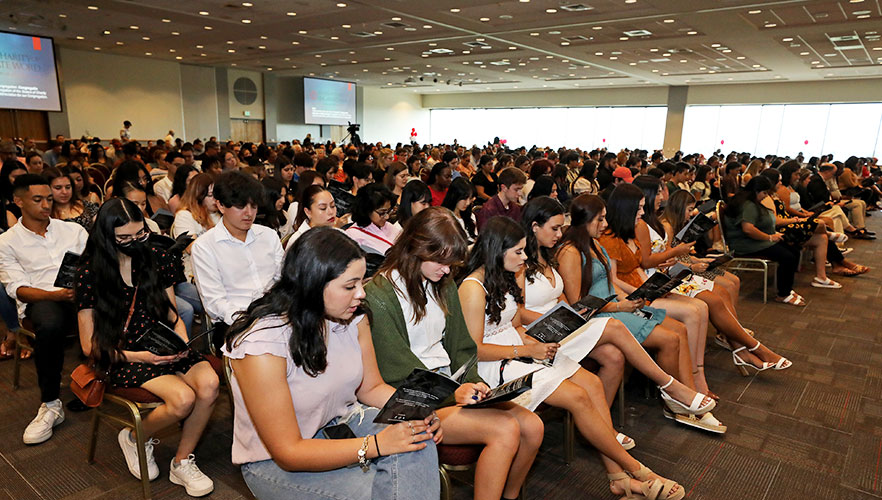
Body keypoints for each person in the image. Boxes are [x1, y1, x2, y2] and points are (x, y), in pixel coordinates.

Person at [460, 216, 687, 500]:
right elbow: (474, 349)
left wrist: (539, 342)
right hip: (495, 366)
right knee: (578, 397)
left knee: (591, 384)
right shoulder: (472, 287)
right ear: (496, 250)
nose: (525, 256)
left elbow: (516, 324)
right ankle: (638, 470)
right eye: (518, 251)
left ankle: (616, 477)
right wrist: (527, 351)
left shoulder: (503, 277)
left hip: (519, 352)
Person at [223, 227, 439, 500]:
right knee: (388, 487)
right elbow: (289, 452)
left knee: (417, 437)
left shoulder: (352, 318)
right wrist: (375, 445)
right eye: (350, 286)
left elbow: (371, 388)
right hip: (274, 462)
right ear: (313, 284)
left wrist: (416, 410)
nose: (361, 293)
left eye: (362, 282)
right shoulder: (262, 345)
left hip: (340, 424)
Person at [365, 207, 542, 500]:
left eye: (450, 263)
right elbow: (396, 370)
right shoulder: (381, 294)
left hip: (449, 386)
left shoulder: (442, 283)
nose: (447, 270)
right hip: (413, 398)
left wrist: (474, 382)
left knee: (533, 427)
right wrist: (454, 393)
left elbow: (462, 347)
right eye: (441, 261)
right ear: (417, 248)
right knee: (506, 429)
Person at [76, 198, 218, 496]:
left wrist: (179, 338)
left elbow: (171, 312)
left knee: (209, 384)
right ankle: (134, 437)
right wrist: (141, 356)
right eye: (124, 238)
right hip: (122, 354)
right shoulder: (90, 271)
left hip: (159, 343)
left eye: (139, 234)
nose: (134, 242)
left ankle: (181, 462)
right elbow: (90, 346)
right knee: (182, 399)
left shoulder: (156, 256)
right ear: (106, 236)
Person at [556, 194, 718, 430]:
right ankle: (677, 398)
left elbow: (610, 285)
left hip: (615, 306)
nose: (605, 224)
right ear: (586, 220)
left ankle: (687, 394)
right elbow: (578, 305)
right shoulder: (570, 252)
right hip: (600, 315)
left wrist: (633, 300)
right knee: (670, 339)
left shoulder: (594, 243)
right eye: (600, 220)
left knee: (680, 329)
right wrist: (621, 306)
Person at [0, 174, 88, 444]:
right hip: (42, 299)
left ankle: (103, 381)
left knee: (119, 309)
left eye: (49, 198)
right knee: (50, 324)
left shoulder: (72, 231)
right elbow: (18, 289)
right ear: (19, 202)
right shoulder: (8, 242)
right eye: (37, 199)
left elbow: (95, 264)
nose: (46, 205)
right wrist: (59, 294)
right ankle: (50, 403)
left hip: (81, 292)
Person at [191, 171, 283, 350]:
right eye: (241, 206)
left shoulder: (269, 236)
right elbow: (215, 303)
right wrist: (252, 321)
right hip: (234, 323)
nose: (249, 213)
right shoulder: (205, 246)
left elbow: (284, 279)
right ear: (221, 205)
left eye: (254, 206)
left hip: (276, 315)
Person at [723, 176, 804, 306]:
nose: (766, 196)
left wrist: (770, 235)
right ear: (756, 191)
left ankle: (786, 289)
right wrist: (769, 237)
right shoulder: (748, 205)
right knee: (788, 256)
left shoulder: (747, 201)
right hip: (745, 244)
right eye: (765, 193)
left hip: (751, 241)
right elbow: (748, 229)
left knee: (794, 250)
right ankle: (783, 294)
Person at [171, 174, 219, 326]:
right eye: (211, 195)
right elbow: (193, 249)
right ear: (199, 196)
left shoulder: (219, 215)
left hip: (218, 271)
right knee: (215, 301)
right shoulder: (184, 216)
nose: (216, 200)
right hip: (191, 273)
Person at [344, 183, 400, 255]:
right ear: (367, 210)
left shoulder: (390, 227)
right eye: (382, 213)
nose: (387, 217)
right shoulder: (353, 235)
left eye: (389, 211)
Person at [476, 167, 526, 232]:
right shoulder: (489, 211)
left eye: (521, 189)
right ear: (504, 188)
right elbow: (487, 239)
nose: (520, 193)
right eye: (516, 189)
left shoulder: (516, 208)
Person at [441, 177, 477, 242]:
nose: (468, 203)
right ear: (455, 196)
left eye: (470, 198)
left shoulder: (470, 215)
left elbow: (474, 236)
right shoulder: (444, 218)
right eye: (465, 198)